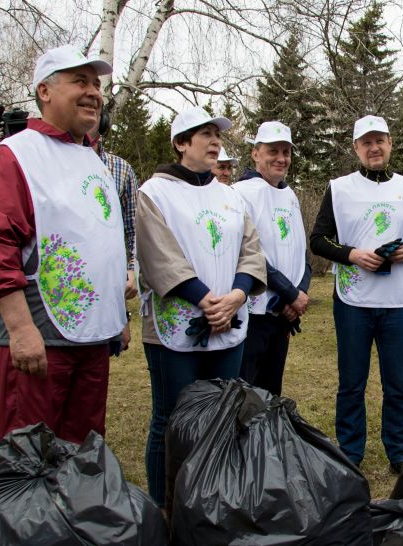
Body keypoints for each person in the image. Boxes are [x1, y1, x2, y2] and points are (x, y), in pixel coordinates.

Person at [0, 45, 127, 444]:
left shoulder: (94, 160)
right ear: (44, 91)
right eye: (79, 81)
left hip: (92, 342)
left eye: (96, 83)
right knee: (30, 455)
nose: (93, 92)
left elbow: (102, 240)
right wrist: (20, 329)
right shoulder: (14, 156)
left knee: (84, 453)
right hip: (41, 339)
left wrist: (116, 317)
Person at [136, 106, 266, 507]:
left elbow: (251, 251)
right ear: (180, 143)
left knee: (222, 417)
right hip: (176, 325)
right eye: (204, 134)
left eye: (217, 135)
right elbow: (160, 256)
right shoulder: (153, 193)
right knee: (172, 420)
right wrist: (206, 300)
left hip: (228, 322)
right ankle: (167, 506)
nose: (215, 141)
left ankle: (211, 504)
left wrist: (237, 296)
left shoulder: (230, 196)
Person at [310, 115, 403, 473]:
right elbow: (319, 239)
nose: (374, 147)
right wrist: (352, 254)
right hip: (353, 301)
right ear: (356, 149)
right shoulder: (339, 187)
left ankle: (400, 454)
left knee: (398, 383)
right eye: (366, 142)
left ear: (391, 144)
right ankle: (350, 453)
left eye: (380, 140)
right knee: (351, 382)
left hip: (398, 301)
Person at [232, 121, 310, 396]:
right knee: (246, 390)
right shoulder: (242, 193)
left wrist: (299, 292)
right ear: (255, 153)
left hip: (283, 312)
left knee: (271, 390)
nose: (281, 158)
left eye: (286, 152)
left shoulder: (289, 195)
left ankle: (267, 439)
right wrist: (289, 292)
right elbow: (249, 254)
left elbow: (300, 249)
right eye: (273, 151)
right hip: (255, 310)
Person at [89, 108, 139, 352]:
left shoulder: (121, 170)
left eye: (96, 112)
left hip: (109, 291)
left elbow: (133, 230)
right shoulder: (47, 163)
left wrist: (131, 269)